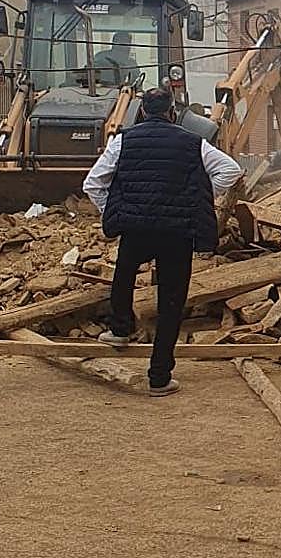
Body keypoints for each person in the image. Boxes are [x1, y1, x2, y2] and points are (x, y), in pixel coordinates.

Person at [82, 87, 242, 396]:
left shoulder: (122, 141)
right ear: (172, 113)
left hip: (136, 228)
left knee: (124, 272)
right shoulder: (194, 143)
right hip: (177, 232)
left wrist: (115, 209)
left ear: (141, 112)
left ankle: (120, 329)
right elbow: (231, 171)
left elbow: (93, 184)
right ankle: (159, 377)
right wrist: (199, 193)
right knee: (171, 302)